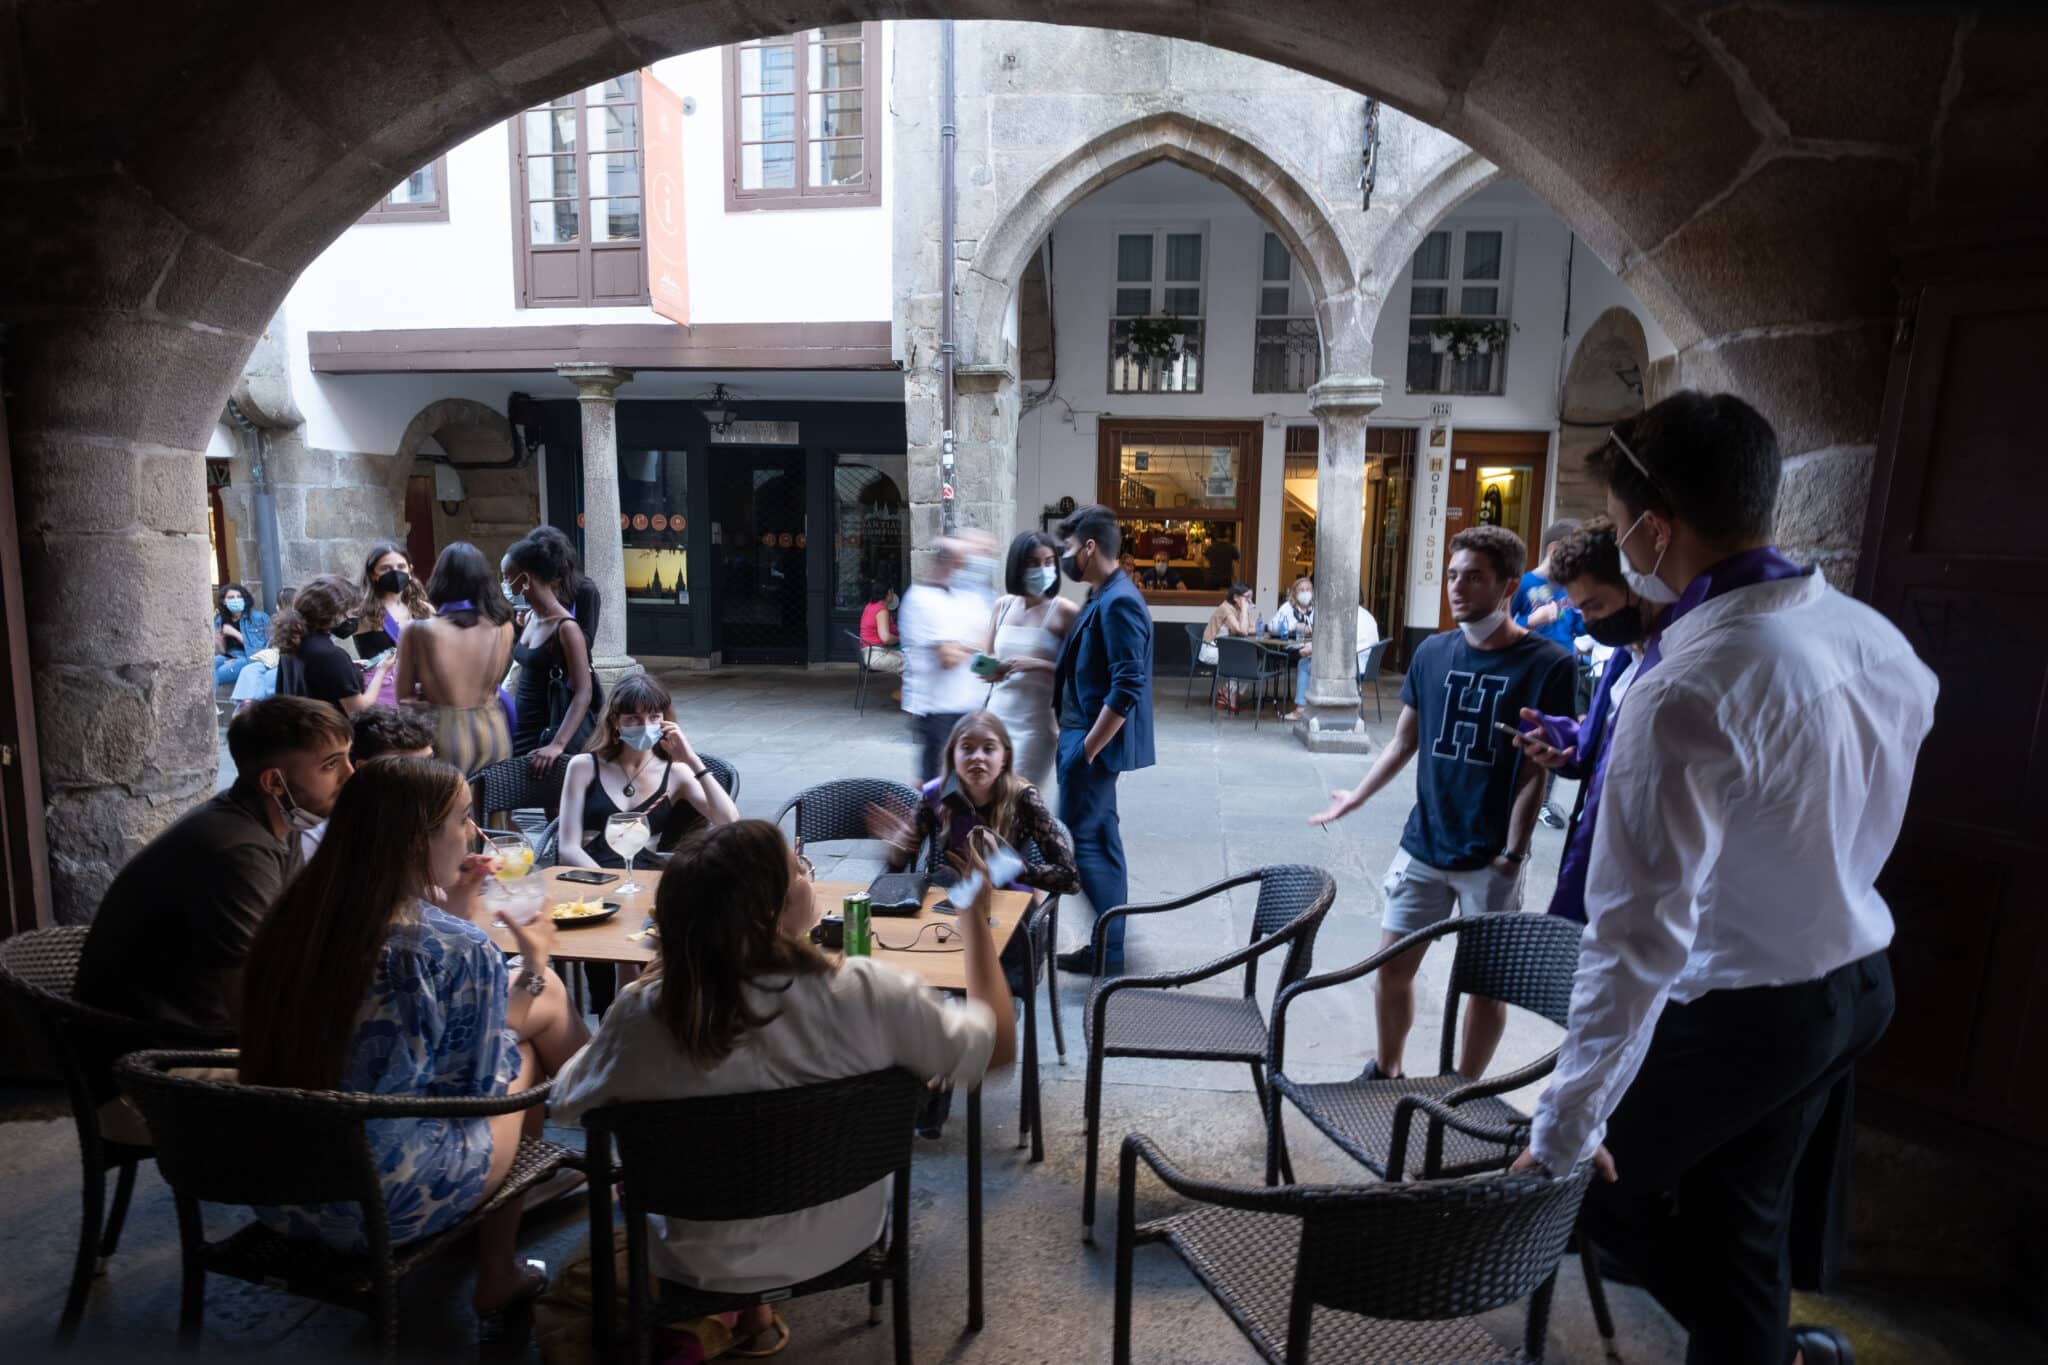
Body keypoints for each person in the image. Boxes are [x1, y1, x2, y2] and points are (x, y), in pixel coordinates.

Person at [1508, 393, 1935, 1365]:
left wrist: (1567, 1124)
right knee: (1738, 1218)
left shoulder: (1683, 689)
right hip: (1853, 979)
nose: (1618, 550)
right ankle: (1768, 1353)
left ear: (1654, 531)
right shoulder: (1867, 633)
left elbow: (1633, 938)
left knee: (1566, 1198)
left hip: (1748, 1006)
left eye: (1618, 531)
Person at [550, 820, 1015, 1354]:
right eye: (796, 868)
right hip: (844, 1234)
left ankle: (724, 1316)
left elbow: (566, 1102)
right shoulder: (870, 994)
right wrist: (974, 925)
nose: (807, 871)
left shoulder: (647, 1015)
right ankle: (751, 1317)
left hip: (698, 1259)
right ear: (766, 911)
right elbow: (997, 1049)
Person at [237, 756, 588, 1318]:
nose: (473, 835)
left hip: (275, 1187)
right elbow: (476, 1087)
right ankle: (508, 1263)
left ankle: (606, 1126)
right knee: (523, 1048)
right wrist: (533, 962)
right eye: (462, 819)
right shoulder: (451, 947)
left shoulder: (294, 916)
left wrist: (456, 915)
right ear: (411, 841)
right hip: (383, 1201)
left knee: (528, 1015)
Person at [1309, 525, 1575, 1081]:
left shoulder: (1546, 664)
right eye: (1453, 575)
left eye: (1474, 576)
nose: (1457, 587)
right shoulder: (1432, 652)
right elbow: (1405, 741)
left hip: (1491, 856)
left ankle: (1461, 1085)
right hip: (1425, 843)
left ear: (1507, 586)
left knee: (1484, 984)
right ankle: (1389, 1067)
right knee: (1392, 967)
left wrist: (1514, 852)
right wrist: (1355, 797)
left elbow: (1535, 771)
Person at [76, 697, 355, 1036]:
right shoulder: (239, 852)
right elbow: (252, 1007)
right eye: (331, 765)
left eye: (348, 758)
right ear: (274, 783)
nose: (349, 774)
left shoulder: (278, 821)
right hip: (155, 1050)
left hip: (190, 1025)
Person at [1508, 518, 1659, 925]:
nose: (1586, 620)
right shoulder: (1627, 654)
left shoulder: (1672, 664)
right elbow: (1604, 745)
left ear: (1636, 585)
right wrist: (1564, 743)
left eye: (1593, 605)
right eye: (1578, 609)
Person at [1049, 504, 1155, 977]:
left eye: (1070, 547)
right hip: (1080, 737)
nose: (1066, 557)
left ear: (1090, 547)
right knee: (1100, 842)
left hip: (1089, 746)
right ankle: (1110, 947)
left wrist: (1088, 749)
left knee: (1083, 844)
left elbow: (1127, 685)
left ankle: (1109, 951)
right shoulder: (1103, 595)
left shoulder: (1119, 601)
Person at [557, 674, 738, 871]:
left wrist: (693, 761)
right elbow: (568, 848)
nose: (645, 726)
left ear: (665, 720)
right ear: (615, 721)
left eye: (654, 717)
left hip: (646, 876)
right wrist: (606, 881)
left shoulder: (677, 773)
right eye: (634, 718)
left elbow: (729, 822)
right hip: (591, 875)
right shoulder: (583, 767)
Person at [397, 542, 516, 775]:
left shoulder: (417, 631)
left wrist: (428, 695)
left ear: (440, 579)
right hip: (494, 729)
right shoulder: (504, 627)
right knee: (494, 807)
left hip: (446, 731)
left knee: (451, 807)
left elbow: (404, 699)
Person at [985, 531, 1079, 789]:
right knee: (988, 797)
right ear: (1018, 566)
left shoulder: (1065, 612)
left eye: (1048, 562)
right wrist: (990, 669)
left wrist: (1037, 664)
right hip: (996, 717)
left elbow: (1081, 671)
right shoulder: (1002, 606)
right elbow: (988, 657)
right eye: (1033, 563)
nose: (1043, 569)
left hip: (1037, 725)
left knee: (1018, 798)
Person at [503, 531, 595, 775]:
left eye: (506, 577)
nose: (504, 585)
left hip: (550, 729)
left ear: (524, 579)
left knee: (554, 805)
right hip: (522, 727)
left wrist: (558, 745)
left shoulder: (566, 627)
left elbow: (583, 693)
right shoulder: (531, 616)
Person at [898, 537, 989, 785]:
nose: (973, 567)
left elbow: (986, 643)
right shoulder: (921, 598)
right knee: (940, 785)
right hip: (938, 710)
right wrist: (974, 643)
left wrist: (967, 645)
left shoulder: (966, 597)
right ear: (950, 562)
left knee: (964, 782)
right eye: (967, 560)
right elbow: (948, 657)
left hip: (969, 707)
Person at [1513, 519, 1585, 828]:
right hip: (1530, 668)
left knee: (1555, 734)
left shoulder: (1572, 588)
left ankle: (1542, 800)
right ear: (1554, 549)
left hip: (1564, 670)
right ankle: (1516, 793)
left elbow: (1581, 628)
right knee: (1524, 732)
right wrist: (1532, 620)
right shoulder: (1524, 584)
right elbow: (1504, 626)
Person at [272, 575, 381, 716]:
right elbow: (359, 710)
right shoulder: (331, 655)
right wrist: (381, 671)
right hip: (329, 734)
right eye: (351, 612)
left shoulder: (293, 642)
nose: (353, 618)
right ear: (333, 612)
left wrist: (349, 666)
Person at [352, 541, 432, 708]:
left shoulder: (424, 609)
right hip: (385, 700)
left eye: (401, 566)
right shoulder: (363, 613)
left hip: (423, 698)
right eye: (386, 568)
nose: (395, 572)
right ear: (373, 574)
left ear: (410, 569)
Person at [230, 586, 296, 711]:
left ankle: (253, 705)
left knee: (268, 678)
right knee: (249, 670)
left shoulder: (299, 622)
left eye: (280, 604)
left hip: (288, 660)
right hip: (272, 658)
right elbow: (270, 643)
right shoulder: (278, 621)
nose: (277, 607)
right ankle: (244, 705)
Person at [1269, 576, 1318, 721]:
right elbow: (1272, 626)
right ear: (1295, 593)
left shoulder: (1317, 607)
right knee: (1306, 659)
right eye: (1301, 590)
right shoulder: (1288, 607)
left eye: (1308, 589)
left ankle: (1309, 704)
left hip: (1313, 647)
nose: (1305, 592)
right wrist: (1297, 627)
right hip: (1293, 648)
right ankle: (1303, 706)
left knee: (1312, 660)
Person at [1202, 582, 1256, 712]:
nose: (1250, 601)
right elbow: (1243, 631)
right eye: (1247, 597)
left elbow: (1253, 628)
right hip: (1211, 650)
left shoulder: (1239, 609)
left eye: (1251, 598)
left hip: (1228, 651)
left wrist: (1244, 611)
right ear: (1236, 597)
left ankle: (1226, 691)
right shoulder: (1225, 608)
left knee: (1251, 662)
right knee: (1243, 662)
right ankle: (1230, 693)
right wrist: (1244, 609)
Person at [213, 583, 272, 687]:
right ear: (224, 601)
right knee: (207, 668)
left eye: (239, 597)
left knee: (214, 676)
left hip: (249, 657)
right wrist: (218, 642)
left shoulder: (259, 618)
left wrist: (235, 633)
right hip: (228, 656)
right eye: (231, 597)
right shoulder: (220, 620)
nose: (236, 600)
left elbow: (261, 648)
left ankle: (209, 702)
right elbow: (220, 651)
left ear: (245, 599)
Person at [858, 579, 904, 673]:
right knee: (915, 663)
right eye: (892, 591)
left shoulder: (870, 606)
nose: (893, 594)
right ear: (888, 593)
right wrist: (902, 638)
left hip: (869, 653)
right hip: (876, 656)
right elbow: (886, 638)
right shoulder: (881, 611)